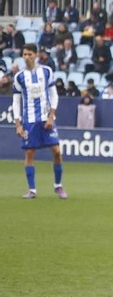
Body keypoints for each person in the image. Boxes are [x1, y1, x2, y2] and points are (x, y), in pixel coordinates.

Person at [12, 43, 67, 199]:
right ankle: (32, 190)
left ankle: (58, 186)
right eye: (24, 54)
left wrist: (51, 116)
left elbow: (54, 95)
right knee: (30, 153)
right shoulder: (19, 76)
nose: (27, 57)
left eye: (29, 54)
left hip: (46, 118)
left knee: (57, 152)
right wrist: (18, 124)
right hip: (29, 120)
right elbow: (16, 101)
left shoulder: (46, 71)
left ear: (36, 55)